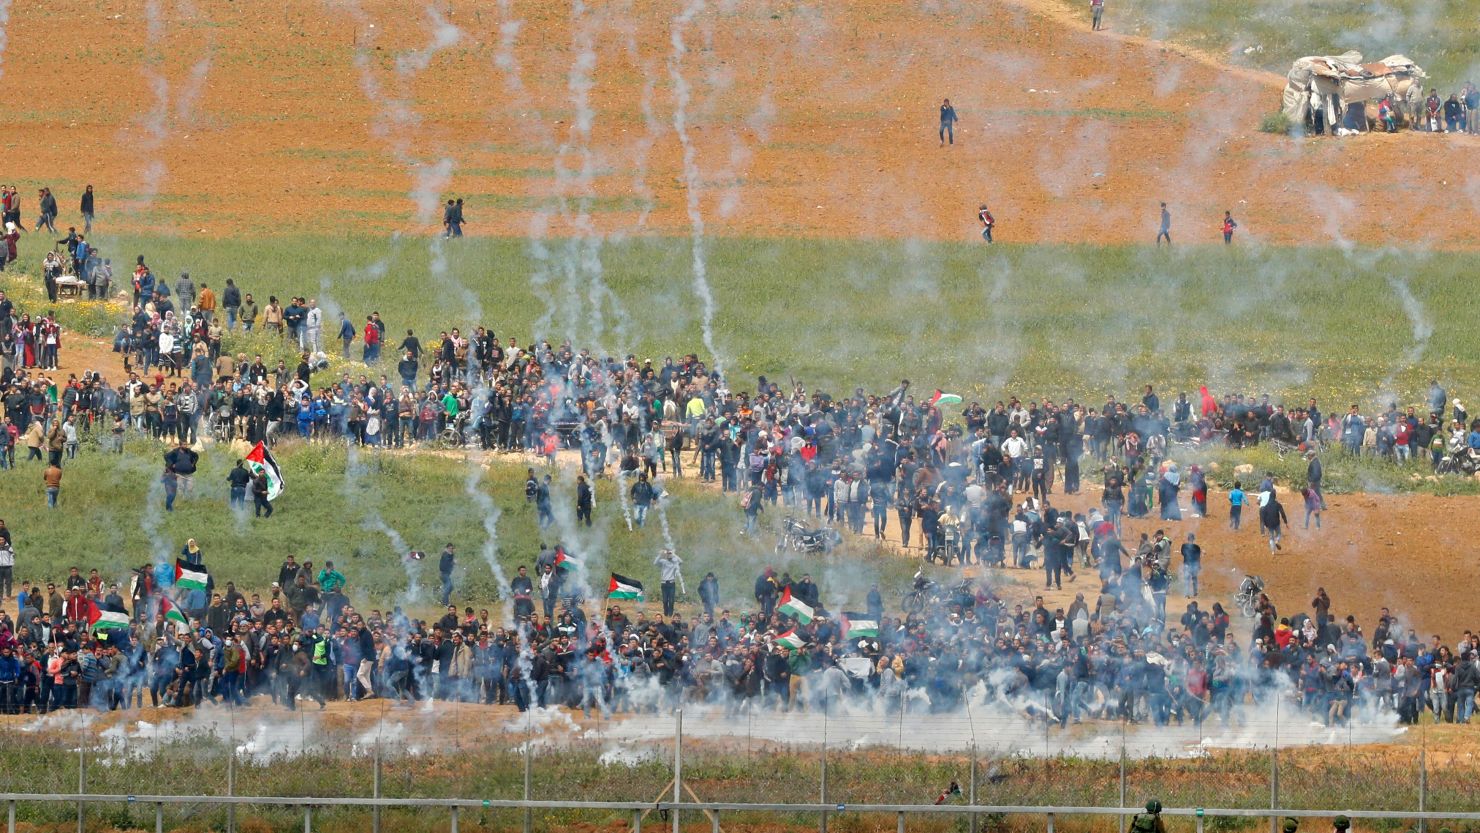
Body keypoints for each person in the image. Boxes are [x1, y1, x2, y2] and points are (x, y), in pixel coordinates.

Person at [654, 548, 683, 617]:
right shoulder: (663, 561)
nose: (669, 555)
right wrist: (660, 554)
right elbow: (655, 563)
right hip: (664, 583)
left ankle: (670, 614)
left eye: (670, 554)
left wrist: (674, 554)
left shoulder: (674, 562)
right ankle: (665, 613)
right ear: (666, 555)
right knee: (664, 600)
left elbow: (681, 562)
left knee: (671, 600)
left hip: (671, 583)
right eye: (668, 554)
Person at [1180, 532, 1201, 597]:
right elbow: (1198, 557)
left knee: (1187, 580)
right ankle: (1195, 592)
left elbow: (1183, 554)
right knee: (1194, 579)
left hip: (1187, 564)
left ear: (1188, 539)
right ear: (1193, 539)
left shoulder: (1184, 546)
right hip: (1194, 565)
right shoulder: (1197, 547)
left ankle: (1187, 594)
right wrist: (1199, 565)